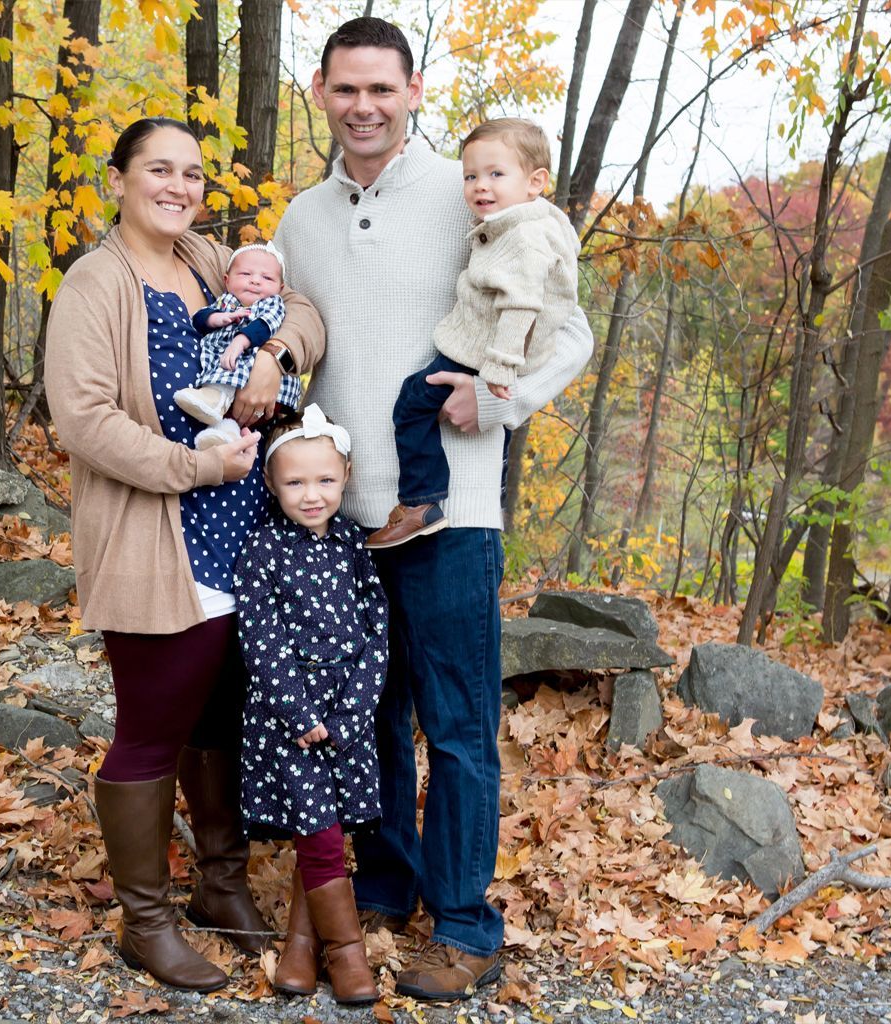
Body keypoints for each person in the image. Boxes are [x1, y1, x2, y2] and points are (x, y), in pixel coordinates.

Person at [273, 17, 594, 1002]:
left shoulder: (472, 198)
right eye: (346, 89)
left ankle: (464, 924)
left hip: (452, 514)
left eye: (383, 88)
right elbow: (297, 328)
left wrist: (498, 398)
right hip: (346, 520)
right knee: (368, 716)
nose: (364, 106)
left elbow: (569, 333)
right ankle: (383, 883)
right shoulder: (301, 220)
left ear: (413, 92)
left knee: (455, 728)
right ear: (323, 94)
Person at [45, 116, 325, 993]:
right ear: (120, 178)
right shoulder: (97, 283)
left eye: (194, 174)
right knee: (154, 729)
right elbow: (83, 420)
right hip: (158, 534)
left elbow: (305, 311)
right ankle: (147, 921)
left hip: (244, 529)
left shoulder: (212, 261)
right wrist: (188, 467)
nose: (179, 186)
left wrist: (275, 354)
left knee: (222, 717)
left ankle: (221, 885)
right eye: (159, 170)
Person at [367, 118, 580, 550]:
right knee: (416, 400)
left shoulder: (524, 236)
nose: (480, 186)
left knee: (411, 404)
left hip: (484, 351)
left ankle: (422, 502)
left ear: (536, 181)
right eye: (470, 176)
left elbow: (522, 304)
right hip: (485, 347)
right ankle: (422, 501)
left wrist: (499, 372)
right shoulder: (517, 224)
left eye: (496, 175)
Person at [234, 405, 387, 1006]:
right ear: (272, 484)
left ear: (345, 478)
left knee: (324, 829)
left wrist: (352, 714)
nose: (312, 494)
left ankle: (301, 947)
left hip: (346, 717)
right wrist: (300, 715)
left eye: (325, 480)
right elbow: (260, 640)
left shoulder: (354, 544)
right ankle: (348, 955)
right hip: (289, 721)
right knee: (320, 833)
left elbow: (378, 631)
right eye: (295, 482)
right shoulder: (263, 549)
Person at [174, 243, 303, 449]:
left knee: (234, 364)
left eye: (267, 278)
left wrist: (239, 342)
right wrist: (217, 318)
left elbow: (264, 326)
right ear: (227, 280)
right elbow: (199, 318)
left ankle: (213, 400)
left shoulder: (272, 303)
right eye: (245, 274)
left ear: (279, 288)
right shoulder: (226, 301)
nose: (255, 280)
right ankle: (225, 433)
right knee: (228, 372)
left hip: (264, 391)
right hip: (237, 381)